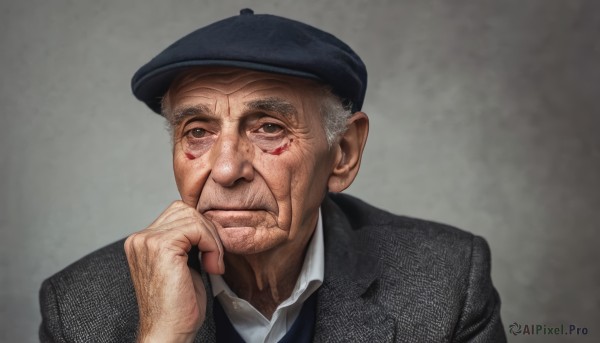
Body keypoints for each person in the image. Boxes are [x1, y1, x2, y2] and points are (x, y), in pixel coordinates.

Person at [39, 9, 506, 343]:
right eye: (197, 131)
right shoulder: (80, 305)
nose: (225, 170)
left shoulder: (446, 279)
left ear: (342, 153)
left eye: (268, 128)